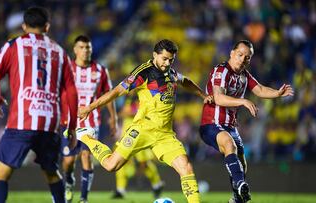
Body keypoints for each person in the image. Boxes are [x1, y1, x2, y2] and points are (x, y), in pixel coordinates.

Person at [77, 39, 213, 203]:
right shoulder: (144, 72)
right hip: (142, 130)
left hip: (165, 134)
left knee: (186, 167)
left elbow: (185, 81)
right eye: (164, 59)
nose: (167, 63)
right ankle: (86, 137)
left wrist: (203, 96)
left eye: (171, 60)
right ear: (155, 55)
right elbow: (116, 92)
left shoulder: (171, 72)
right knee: (111, 165)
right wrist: (90, 107)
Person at [0, 6, 78, 203]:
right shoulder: (60, 51)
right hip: (50, 124)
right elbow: (72, 92)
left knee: (2, 173)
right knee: (52, 172)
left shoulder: (13, 46)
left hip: (22, 121)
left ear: (23, 26)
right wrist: (71, 127)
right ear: (47, 27)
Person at [199, 40, 294, 203]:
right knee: (230, 145)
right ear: (232, 53)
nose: (243, 59)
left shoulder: (244, 76)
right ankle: (241, 184)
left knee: (241, 161)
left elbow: (261, 90)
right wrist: (242, 101)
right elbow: (219, 98)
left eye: (247, 57)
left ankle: (237, 196)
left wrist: (277, 93)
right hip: (211, 124)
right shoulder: (221, 71)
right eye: (240, 55)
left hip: (230, 126)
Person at [59, 35, 117, 203]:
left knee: (86, 156)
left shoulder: (100, 71)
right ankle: (69, 182)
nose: (85, 51)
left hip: (92, 122)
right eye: (82, 47)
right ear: (75, 50)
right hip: (69, 122)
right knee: (68, 161)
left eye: (88, 48)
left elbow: (108, 95)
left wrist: (113, 118)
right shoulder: (66, 69)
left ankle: (84, 198)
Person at [112, 96, 164, 199]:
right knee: (118, 161)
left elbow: (141, 113)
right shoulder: (127, 99)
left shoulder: (142, 97)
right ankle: (120, 189)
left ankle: (157, 184)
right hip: (126, 137)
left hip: (138, 134)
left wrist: (128, 113)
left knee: (144, 163)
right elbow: (123, 113)